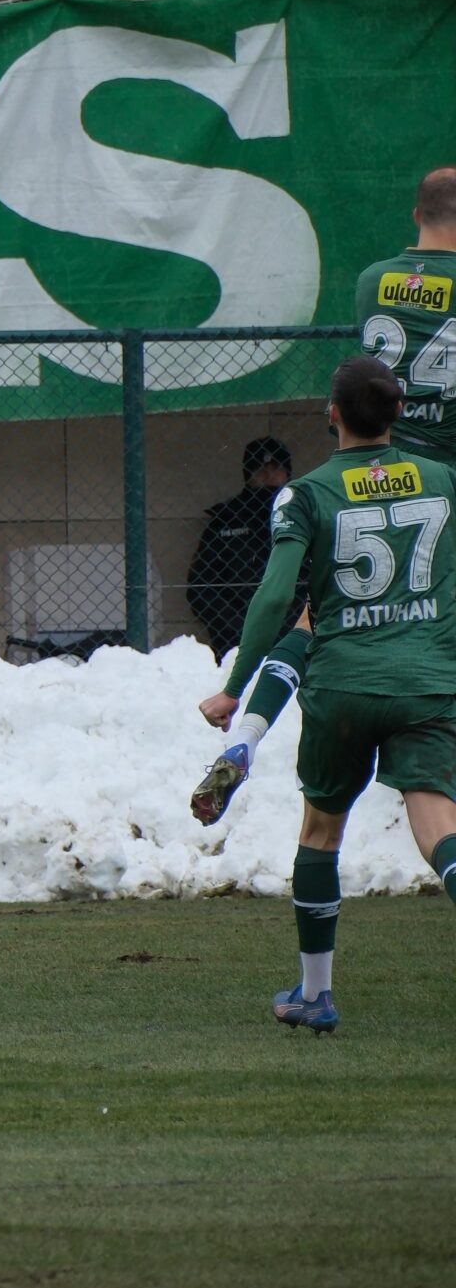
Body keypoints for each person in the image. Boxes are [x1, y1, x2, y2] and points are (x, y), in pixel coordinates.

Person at [195, 356, 456, 1034]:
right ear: (399, 412)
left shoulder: (306, 493)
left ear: (331, 414)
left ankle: (316, 994)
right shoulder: (443, 480)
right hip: (425, 680)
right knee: (439, 826)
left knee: (320, 830)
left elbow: (278, 596)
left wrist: (232, 687)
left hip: (340, 682)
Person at [194, 167, 456, 821]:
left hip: (372, 477)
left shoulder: (372, 281)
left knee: (314, 618)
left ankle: (246, 735)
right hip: (439, 488)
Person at [185, 435, 294, 659]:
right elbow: (201, 587)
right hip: (234, 639)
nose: (269, 476)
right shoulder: (225, 519)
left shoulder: (302, 516)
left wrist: (292, 625)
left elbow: (317, 579)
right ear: (248, 474)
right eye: (261, 469)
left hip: (293, 634)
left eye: (276, 468)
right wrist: (239, 627)